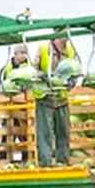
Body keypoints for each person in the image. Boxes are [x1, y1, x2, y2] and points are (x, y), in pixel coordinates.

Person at [33, 37, 77, 167]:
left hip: (61, 97)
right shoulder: (43, 49)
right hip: (44, 96)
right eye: (63, 39)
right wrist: (42, 76)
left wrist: (72, 82)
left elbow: (75, 68)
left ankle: (63, 161)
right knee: (45, 133)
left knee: (63, 131)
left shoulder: (70, 49)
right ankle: (45, 163)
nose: (65, 41)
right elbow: (33, 70)